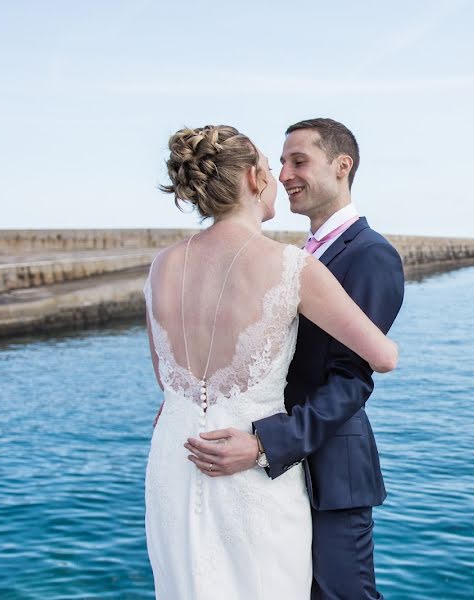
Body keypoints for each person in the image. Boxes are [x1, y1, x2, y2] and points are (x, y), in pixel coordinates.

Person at [144, 124, 398, 599]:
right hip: (246, 466)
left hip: (192, 454)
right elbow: (382, 357)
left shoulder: (164, 264)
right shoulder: (290, 262)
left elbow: (350, 379)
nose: (283, 175)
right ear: (252, 178)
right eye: (276, 164)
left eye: (297, 162)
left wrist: (264, 443)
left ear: (342, 167)